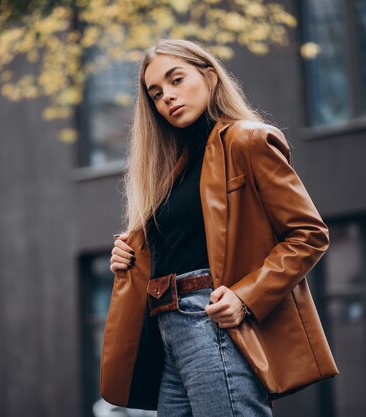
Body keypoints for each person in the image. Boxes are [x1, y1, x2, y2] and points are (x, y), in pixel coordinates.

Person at [100, 39, 335, 417]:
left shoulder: (247, 141)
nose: (168, 98)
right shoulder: (172, 169)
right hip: (167, 331)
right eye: (157, 93)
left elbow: (308, 235)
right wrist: (129, 254)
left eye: (176, 80)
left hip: (210, 321)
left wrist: (246, 297)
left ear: (209, 76)